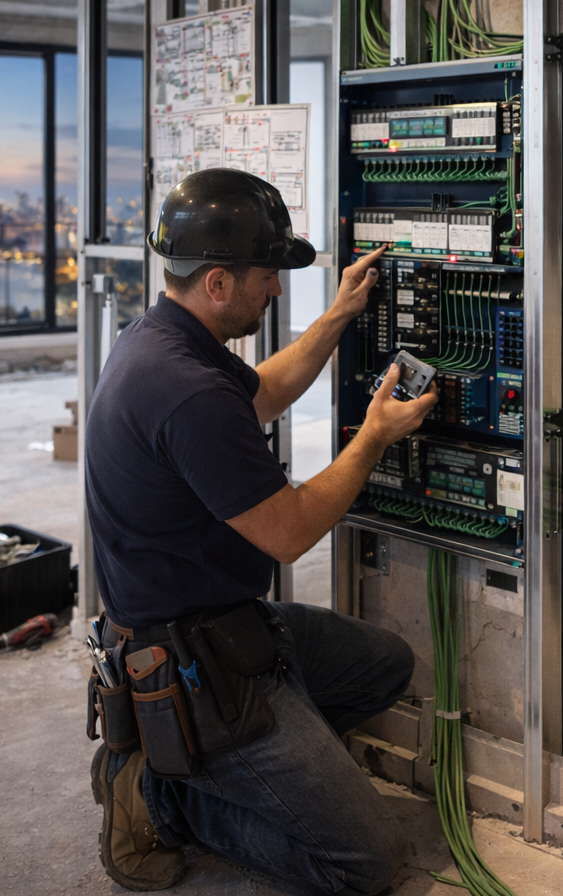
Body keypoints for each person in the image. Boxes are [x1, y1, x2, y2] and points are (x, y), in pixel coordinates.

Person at [83, 168, 437, 892]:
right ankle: (165, 794)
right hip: (189, 663)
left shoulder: (161, 340)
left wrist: (337, 317)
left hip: (228, 626)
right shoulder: (186, 392)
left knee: (383, 665)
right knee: (367, 863)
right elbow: (291, 532)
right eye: (265, 275)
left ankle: (236, 762)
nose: (275, 289)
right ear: (217, 282)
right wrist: (371, 439)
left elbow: (265, 392)